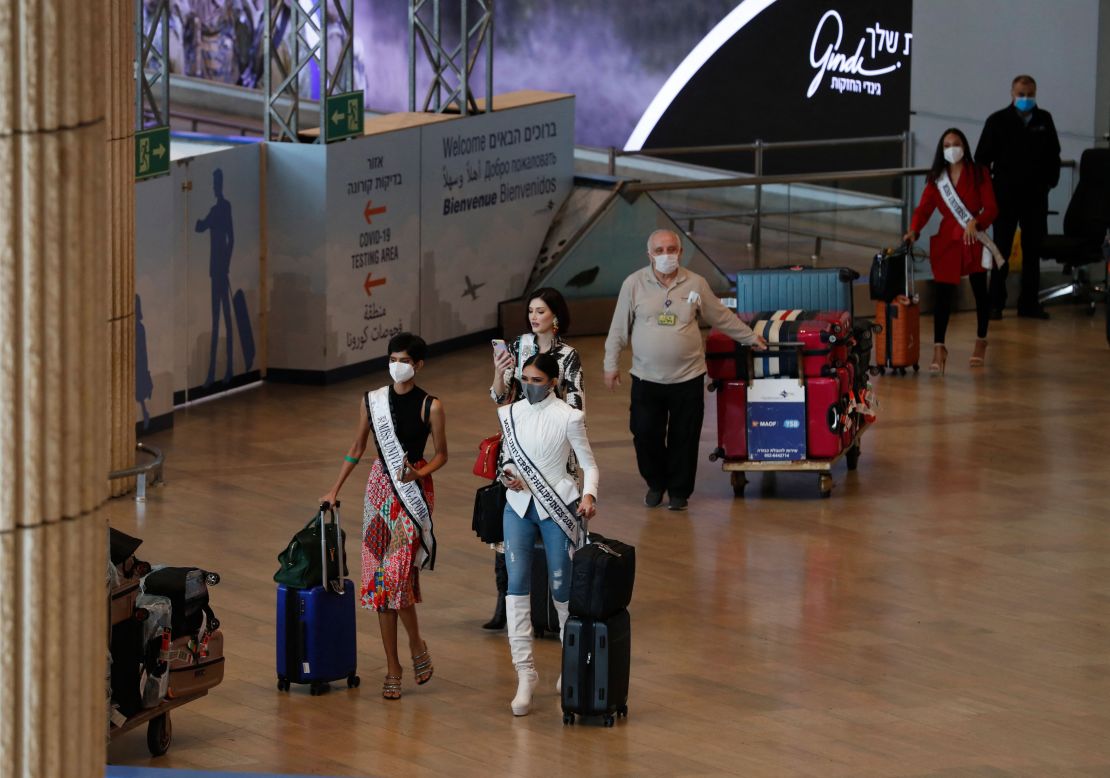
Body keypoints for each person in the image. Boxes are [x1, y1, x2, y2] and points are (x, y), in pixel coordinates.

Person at [321, 333, 447, 701]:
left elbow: (442, 454)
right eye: (392, 358)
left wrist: (419, 475)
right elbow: (358, 447)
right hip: (379, 489)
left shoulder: (431, 406)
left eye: (404, 359)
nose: (397, 365)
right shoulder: (372, 401)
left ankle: (414, 644)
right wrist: (334, 489)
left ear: (419, 364)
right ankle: (397, 661)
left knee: (393, 576)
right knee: (381, 583)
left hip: (413, 488)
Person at [603, 228, 765, 511]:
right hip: (646, 378)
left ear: (680, 252)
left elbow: (720, 316)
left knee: (684, 437)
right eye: (659, 250)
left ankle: (679, 492)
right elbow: (619, 327)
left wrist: (750, 337)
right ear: (649, 255)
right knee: (644, 434)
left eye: (671, 249)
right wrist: (610, 364)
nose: (666, 255)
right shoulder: (634, 284)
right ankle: (655, 483)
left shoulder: (696, 283)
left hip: (688, 377)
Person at [497, 353, 598, 716]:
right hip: (518, 507)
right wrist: (509, 474)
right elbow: (506, 459)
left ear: (553, 382)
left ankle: (570, 663)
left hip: (558, 507)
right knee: (516, 585)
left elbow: (588, 464)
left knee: (561, 587)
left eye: (537, 380)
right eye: (525, 378)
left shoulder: (570, 417)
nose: (529, 386)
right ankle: (525, 674)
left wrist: (589, 495)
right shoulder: (509, 413)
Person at [482, 288, 584, 631]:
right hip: (517, 448)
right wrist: (499, 372)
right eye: (530, 311)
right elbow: (500, 396)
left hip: (554, 454)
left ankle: (557, 609)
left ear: (555, 316)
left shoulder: (568, 355)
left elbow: (576, 406)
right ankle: (504, 600)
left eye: (540, 311)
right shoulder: (518, 346)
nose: (533, 317)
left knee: (554, 528)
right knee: (508, 526)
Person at [903, 128, 1000, 374]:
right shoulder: (938, 177)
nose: (952, 148)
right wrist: (914, 230)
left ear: (964, 147)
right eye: (947, 144)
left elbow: (991, 208)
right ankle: (939, 347)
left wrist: (975, 223)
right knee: (942, 296)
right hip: (948, 241)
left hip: (973, 238)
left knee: (980, 292)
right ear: (941, 149)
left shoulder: (979, 173)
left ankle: (981, 340)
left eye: (956, 143)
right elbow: (923, 209)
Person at [975, 74, 1061, 320]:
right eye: (1021, 94)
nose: (1026, 99)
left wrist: (1049, 183)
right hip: (1005, 196)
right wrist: (988, 192)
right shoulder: (998, 121)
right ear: (1012, 94)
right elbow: (982, 159)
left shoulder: (1044, 119)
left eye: (1030, 94)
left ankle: (1029, 303)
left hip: (1035, 197)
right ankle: (995, 304)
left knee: (1033, 251)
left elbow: (1053, 154)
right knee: (1000, 249)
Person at [195, 167, 235, 386]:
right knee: (219, 321)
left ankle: (224, 371)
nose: (214, 187)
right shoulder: (218, 209)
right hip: (218, 272)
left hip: (218, 272)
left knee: (223, 321)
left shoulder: (221, 209)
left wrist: (225, 264)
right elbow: (201, 227)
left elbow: (231, 237)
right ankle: (215, 373)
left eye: (216, 183)